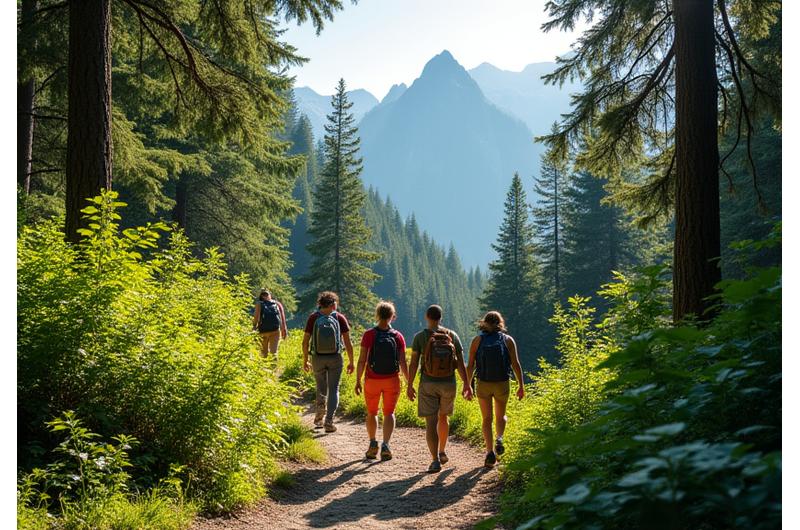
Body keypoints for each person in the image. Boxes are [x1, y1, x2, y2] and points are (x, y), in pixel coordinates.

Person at [406, 304, 472, 473]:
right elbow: (460, 363)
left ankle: (435, 460)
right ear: (440, 317)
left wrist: (410, 384)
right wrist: (467, 383)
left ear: (427, 317)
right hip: (449, 383)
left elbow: (413, 363)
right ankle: (442, 450)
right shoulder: (452, 335)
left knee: (431, 422)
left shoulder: (420, 337)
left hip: (428, 383)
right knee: (443, 418)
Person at [466, 311, 525, 468]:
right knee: (501, 416)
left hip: (483, 383)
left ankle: (489, 452)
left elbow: (470, 365)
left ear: (484, 323)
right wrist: (521, 386)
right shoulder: (508, 340)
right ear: (500, 323)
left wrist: (467, 384)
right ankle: (499, 438)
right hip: (502, 383)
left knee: (487, 419)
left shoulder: (477, 340)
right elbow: (516, 364)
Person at [355, 301, 409, 461]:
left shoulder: (369, 334)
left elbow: (362, 360)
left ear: (377, 315)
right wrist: (409, 382)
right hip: (392, 380)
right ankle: (386, 445)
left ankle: (373, 444)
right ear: (393, 316)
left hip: (372, 379)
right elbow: (403, 362)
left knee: (372, 412)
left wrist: (358, 380)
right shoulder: (397, 336)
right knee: (389, 412)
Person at [302, 291, 355, 432]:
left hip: (317, 357)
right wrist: (351, 362)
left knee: (321, 387)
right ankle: (329, 421)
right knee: (334, 389)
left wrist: (305, 360)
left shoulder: (313, 318)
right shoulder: (339, 318)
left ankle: (319, 415)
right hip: (335, 357)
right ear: (333, 304)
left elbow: (305, 341)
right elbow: (348, 343)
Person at [252, 289, 288, 361]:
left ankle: (264, 370)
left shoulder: (259, 304)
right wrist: (284, 329)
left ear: (261, 296)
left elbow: (256, 317)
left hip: (263, 331)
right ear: (269, 295)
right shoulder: (276, 303)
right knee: (274, 352)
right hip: (275, 331)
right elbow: (281, 318)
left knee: (263, 353)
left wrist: (254, 327)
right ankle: (274, 369)